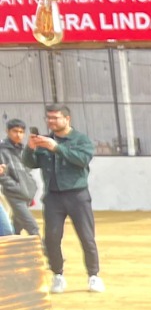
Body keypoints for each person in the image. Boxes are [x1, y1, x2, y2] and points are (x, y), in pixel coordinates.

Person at [24, 105, 101, 293]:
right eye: (48, 118)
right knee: (51, 238)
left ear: (67, 119)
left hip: (77, 195)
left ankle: (93, 275)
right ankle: (58, 275)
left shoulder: (80, 139)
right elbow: (30, 163)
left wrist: (57, 148)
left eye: (55, 118)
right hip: (53, 197)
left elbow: (82, 160)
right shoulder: (45, 140)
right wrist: (30, 148)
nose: (51, 121)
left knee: (86, 236)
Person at [0, 119, 39, 236]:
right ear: (7, 131)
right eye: (15, 131)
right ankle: (47, 253)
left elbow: (27, 172)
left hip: (25, 194)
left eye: (21, 132)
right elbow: (2, 174)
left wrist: (29, 189)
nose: (18, 135)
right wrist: (14, 187)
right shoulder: (1, 150)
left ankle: (11, 252)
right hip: (13, 194)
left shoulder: (24, 151)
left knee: (16, 227)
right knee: (32, 227)